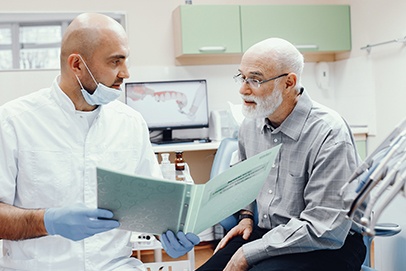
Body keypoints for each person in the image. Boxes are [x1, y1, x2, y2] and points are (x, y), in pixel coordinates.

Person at [0, 13, 198, 271]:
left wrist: (168, 234)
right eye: (115, 62)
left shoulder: (131, 123)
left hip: (115, 266)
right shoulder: (14, 121)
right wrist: (46, 221)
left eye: (125, 61)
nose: (125, 73)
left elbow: (151, 206)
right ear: (77, 65)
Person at [196, 37, 366, 271]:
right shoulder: (250, 123)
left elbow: (325, 228)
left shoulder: (329, 133)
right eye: (242, 77)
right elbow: (244, 181)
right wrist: (246, 216)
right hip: (269, 233)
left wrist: (248, 253)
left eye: (254, 80)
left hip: (328, 245)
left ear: (289, 82)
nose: (243, 89)